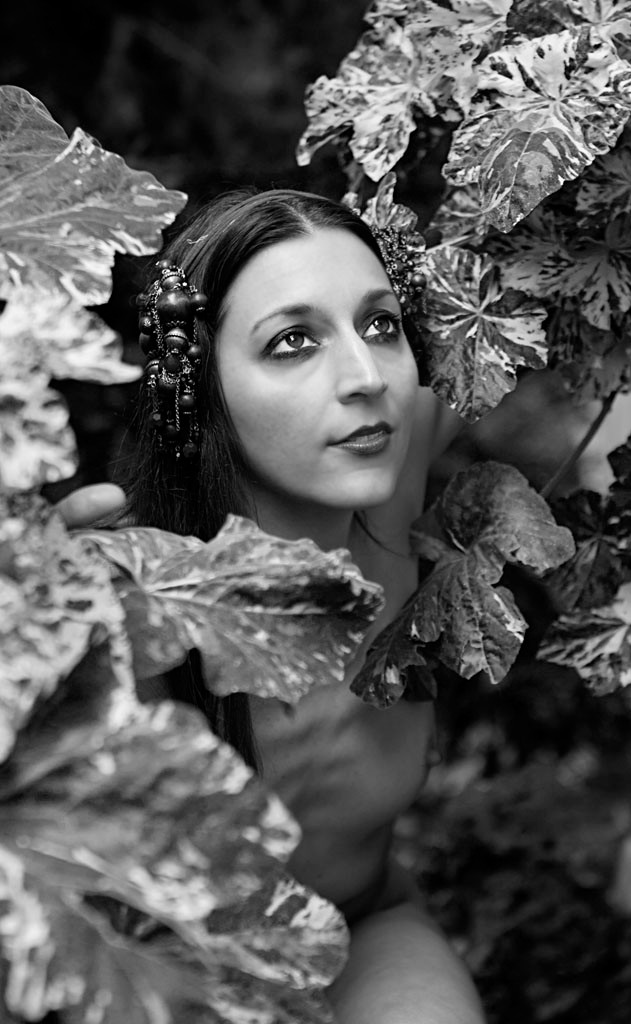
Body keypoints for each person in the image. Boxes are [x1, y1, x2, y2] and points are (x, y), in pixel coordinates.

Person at [58, 188, 485, 1024]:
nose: (366, 379)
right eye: (293, 341)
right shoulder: (124, 597)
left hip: (364, 931)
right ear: (198, 384)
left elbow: (540, 288)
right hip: (167, 983)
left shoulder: (392, 483)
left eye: (380, 325)